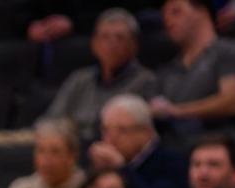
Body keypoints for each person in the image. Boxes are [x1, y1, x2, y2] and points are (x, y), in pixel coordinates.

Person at [45, 9, 160, 140]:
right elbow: (50, 120)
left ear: (134, 45)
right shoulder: (79, 78)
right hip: (70, 149)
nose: (111, 44)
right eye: (105, 37)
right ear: (94, 44)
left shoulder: (145, 81)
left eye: (120, 38)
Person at [90, 95, 190, 188]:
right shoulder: (106, 166)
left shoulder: (171, 160)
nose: (110, 139)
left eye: (121, 130)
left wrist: (121, 168)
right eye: (105, 130)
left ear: (146, 132)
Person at [150, 0, 235, 129]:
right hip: (170, 142)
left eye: (176, 11)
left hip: (217, 140)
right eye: (164, 15)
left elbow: (234, 101)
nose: (168, 20)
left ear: (201, 12)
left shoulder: (229, 51)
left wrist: (178, 112)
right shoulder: (166, 70)